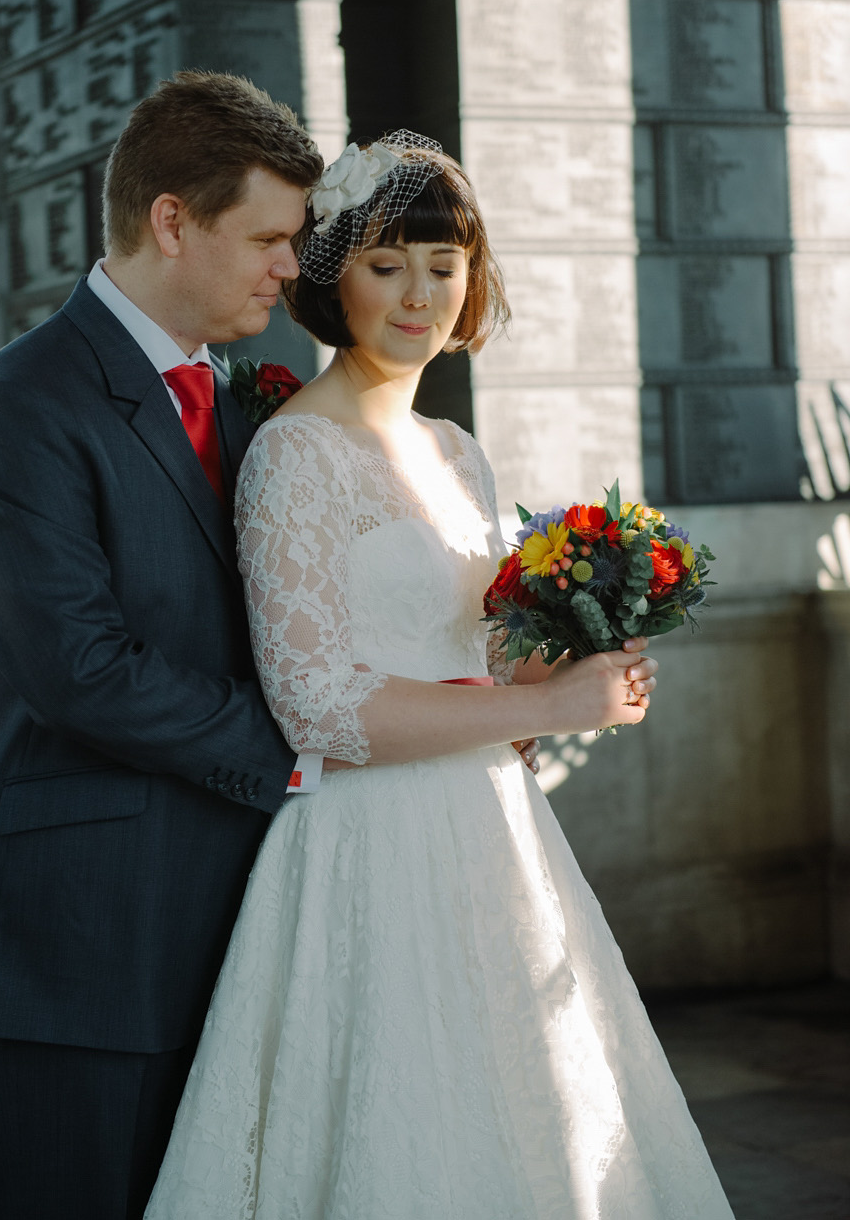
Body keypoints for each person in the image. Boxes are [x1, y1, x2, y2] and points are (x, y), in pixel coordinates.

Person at [144, 133, 732, 1218]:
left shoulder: (458, 449)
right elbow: (315, 701)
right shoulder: (292, 453)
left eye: (445, 264)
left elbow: (478, 654)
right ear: (333, 279)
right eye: (386, 264)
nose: (420, 294)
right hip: (369, 841)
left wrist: (574, 652)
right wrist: (547, 705)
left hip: (497, 837)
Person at [0, 72, 329, 1220]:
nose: (292, 268)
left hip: (241, 919)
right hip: (79, 934)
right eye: (271, 237)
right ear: (173, 219)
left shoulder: (251, 401)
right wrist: (320, 750)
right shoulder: (20, 404)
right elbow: (78, 670)